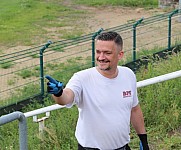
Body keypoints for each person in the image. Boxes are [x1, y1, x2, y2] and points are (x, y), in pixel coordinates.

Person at [45, 31, 149, 150]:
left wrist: (143, 139)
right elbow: (66, 98)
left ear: (120, 55)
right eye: (98, 52)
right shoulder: (82, 78)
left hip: (122, 147)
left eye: (107, 53)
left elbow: (134, 109)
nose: (101, 57)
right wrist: (59, 93)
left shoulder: (128, 75)